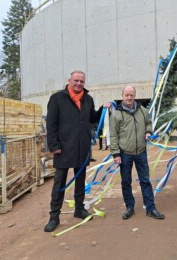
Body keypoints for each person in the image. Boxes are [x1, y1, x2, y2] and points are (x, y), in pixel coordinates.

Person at [44, 70, 105, 232]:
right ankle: (54, 216)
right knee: (59, 183)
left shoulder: (88, 99)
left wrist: (102, 110)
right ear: (70, 80)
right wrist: (54, 146)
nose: (79, 84)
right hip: (63, 149)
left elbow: (92, 118)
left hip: (82, 149)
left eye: (82, 81)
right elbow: (51, 124)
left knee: (80, 180)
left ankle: (79, 209)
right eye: (76, 80)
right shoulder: (57, 98)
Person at [110, 85, 164, 220]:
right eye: (127, 95)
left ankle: (150, 208)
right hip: (124, 153)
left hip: (141, 152)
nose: (129, 97)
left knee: (145, 180)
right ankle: (129, 207)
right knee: (126, 181)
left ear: (135, 96)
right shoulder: (117, 114)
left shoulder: (143, 111)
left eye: (131, 95)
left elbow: (149, 123)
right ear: (122, 96)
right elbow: (113, 135)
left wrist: (148, 131)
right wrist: (116, 153)